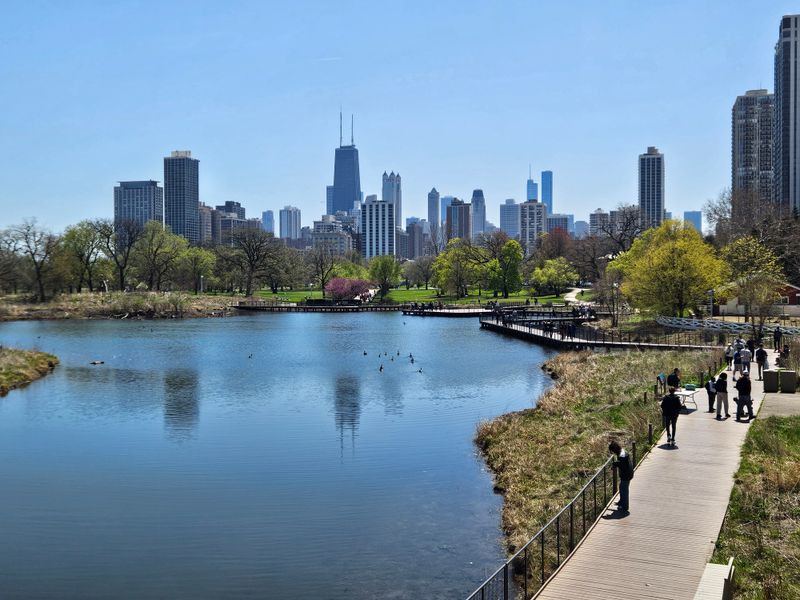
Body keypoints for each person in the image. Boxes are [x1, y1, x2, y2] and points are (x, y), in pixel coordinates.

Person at [609, 440, 633, 514]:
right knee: (621, 488)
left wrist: (615, 464)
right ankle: (621, 502)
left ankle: (625, 507)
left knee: (624, 490)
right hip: (628, 473)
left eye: (612, 451)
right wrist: (616, 464)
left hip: (626, 475)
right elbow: (622, 464)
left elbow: (622, 465)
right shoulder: (622, 451)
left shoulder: (622, 456)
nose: (613, 453)